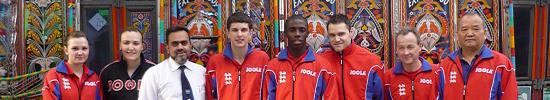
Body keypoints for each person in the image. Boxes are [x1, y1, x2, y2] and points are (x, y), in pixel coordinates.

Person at [440, 12, 517, 100]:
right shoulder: (445, 65)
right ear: (457, 35)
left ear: (484, 34)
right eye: (464, 29)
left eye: (475, 29)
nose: (469, 34)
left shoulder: (502, 64)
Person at [265, 15, 338, 100]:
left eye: (302, 30)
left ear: (307, 33)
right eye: (292, 30)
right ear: (285, 34)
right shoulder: (272, 67)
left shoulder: (323, 67)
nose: (297, 34)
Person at [318, 14, 385, 100]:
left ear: (351, 33)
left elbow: (381, 96)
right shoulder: (321, 61)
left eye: (341, 34)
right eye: (332, 35)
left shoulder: (372, 62)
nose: (337, 39)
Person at [205, 12, 270, 100]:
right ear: (228, 33)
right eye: (235, 30)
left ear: (250, 33)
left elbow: (268, 93)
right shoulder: (215, 62)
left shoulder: (262, 59)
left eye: (243, 30)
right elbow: (209, 95)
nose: (239, 35)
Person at [138, 26, 206, 100]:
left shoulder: (201, 72)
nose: (180, 47)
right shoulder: (154, 74)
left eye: (184, 43)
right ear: (167, 48)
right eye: (175, 44)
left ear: (190, 46)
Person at [384, 28, 444, 100]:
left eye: (410, 47)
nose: (406, 52)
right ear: (396, 50)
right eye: (401, 48)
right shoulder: (388, 78)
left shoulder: (437, 73)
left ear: (420, 46)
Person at [42, 31, 103, 100]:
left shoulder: (94, 78)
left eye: (84, 48)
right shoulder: (54, 76)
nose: (80, 53)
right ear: (66, 50)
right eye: (75, 48)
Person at [100, 27, 156, 100]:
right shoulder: (107, 72)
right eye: (126, 43)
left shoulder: (154, 71)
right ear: (120, 45)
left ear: (142, 46)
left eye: (136, 43)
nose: (130, 47)